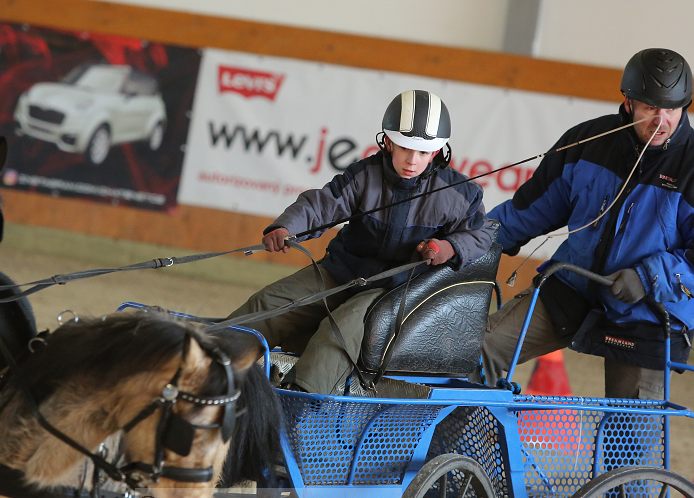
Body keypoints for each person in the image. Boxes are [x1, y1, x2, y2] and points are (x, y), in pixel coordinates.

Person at [227, 90, 496, 394]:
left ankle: (299, 401)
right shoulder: (363, 175)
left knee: (340, 331)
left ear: (436, 153)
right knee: (270, 302)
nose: (412, 160)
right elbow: (321, 205)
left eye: (423, 152)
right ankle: (207, 358)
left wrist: (447, 248)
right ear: (389, 142)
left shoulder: (460, 193)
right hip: (341, 270)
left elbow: (481, 234)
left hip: (395, 288)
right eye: (405, 148)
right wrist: (287, 227)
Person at [480, 48, 694, 400]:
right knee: (479, 349)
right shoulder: (587, 142)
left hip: (650, 314)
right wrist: (476, 238)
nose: (661, 119)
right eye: (650, 108)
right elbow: (531, 209)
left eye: (671, 109)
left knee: (629, 445)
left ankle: (627, 457)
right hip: (571, 291)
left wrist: (648, 277)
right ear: (629, 103)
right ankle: (459, 449)